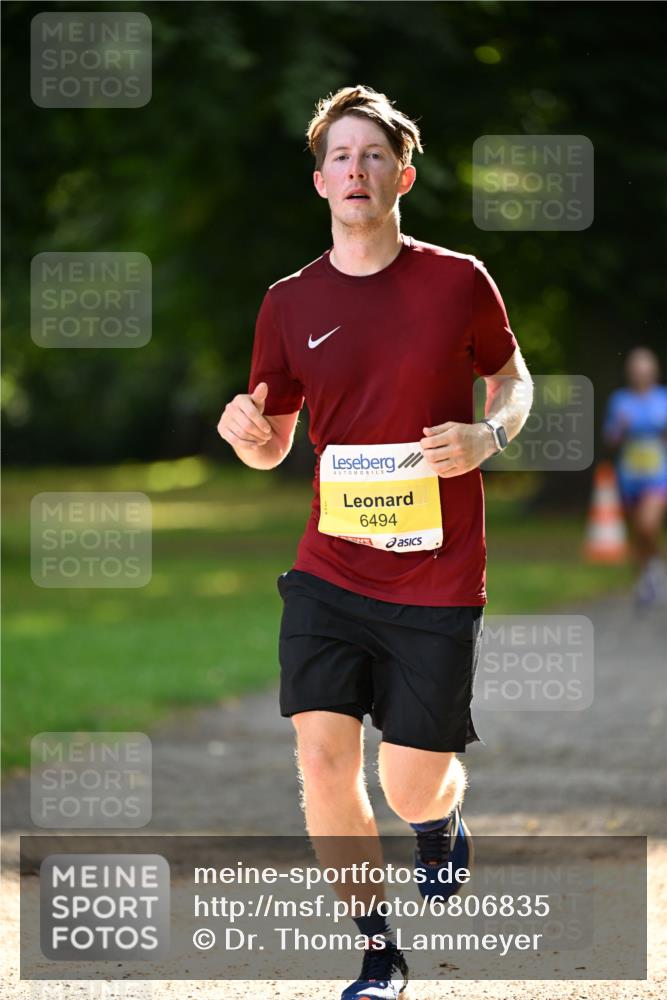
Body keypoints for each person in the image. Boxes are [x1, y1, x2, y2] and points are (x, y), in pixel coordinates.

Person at [217, 85, 533, 1000]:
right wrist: (248, 434)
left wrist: (488, 436)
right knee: (320, 756)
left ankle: (439, 825)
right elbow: (272, 441)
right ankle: (376, 950)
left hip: (437, 574)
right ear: (321, 182)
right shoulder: (287, 302)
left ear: (404, 173)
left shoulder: (457, 280)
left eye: (374, 155)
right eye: (341, 157)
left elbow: (512, 380)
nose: (357, 170)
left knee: (411, 787)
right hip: (329, 565)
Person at [604, 347, 667, 608]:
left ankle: (654, 566)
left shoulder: (663, 399)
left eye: (645, 368)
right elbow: (610, 439)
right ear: (630, 373)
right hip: (629, 476)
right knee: (636, 533)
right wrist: (620, 426)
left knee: (648, 525)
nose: (641, 373)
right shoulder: (620, 401)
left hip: (658, 474)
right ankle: (646, 577)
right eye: (636, 368)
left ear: (653, 371)